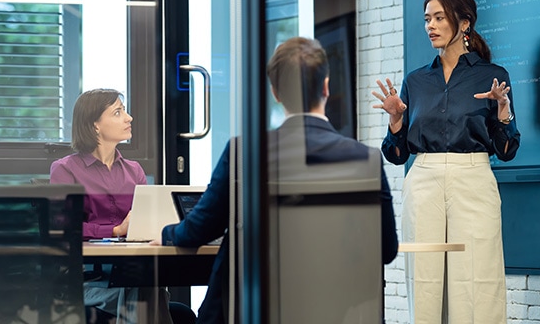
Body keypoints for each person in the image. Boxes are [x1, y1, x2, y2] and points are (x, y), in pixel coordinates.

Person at [158, 36, 399, 324]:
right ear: (325, 87)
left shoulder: (244, 152)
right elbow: (387, 250)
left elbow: (199, 229)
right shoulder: (366, 160)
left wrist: (166, 234)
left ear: (275, 93)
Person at [372, 0, 520, 323]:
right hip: (423, 179)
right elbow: (397, 154)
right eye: (427, 19)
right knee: (424, 278)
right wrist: (395, 121)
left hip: (474, 178)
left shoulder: (492, 76)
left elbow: (506, 151)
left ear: (464, 23)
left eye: (439, 18)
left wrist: (503, 111)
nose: (431, 26)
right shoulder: (416, 81)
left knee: (477, 274)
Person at [49, 88, 179, 324]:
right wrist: (115, 230)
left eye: (125, 111)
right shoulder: (65, 169)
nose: (129, 118)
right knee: (145, 289)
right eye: (118, 112)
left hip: (130, 270)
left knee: (145, 285)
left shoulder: (134, 170)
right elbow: (63, 228)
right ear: (95, 125)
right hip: (87, 278)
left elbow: (144, 221)